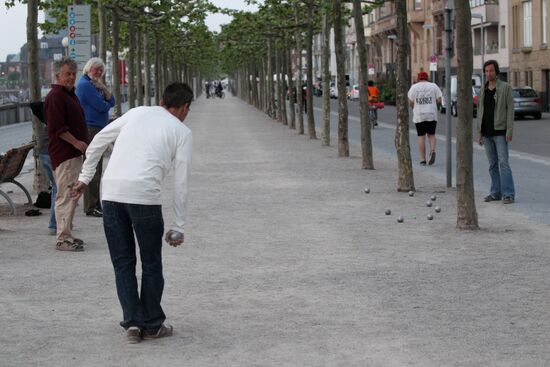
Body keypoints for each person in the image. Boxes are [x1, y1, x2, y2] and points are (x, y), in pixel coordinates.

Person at [70, 82, 194, 343]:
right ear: (185, 107)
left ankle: (132, 324)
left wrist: (84, 177)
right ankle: (152, 323)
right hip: (144, 198)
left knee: (123, 263)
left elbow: (98, 141)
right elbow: (180, 182)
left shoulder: (136, 112)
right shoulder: (181, 132)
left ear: (162, 100)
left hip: (112, 193)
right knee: (151, 263)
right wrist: (178, 226)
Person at [44, 57, 88, 252]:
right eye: (67, 74)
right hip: (65, 154)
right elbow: (57, 128)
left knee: (72, 195)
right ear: (57, 76)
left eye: (73, 74)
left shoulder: (70, 95)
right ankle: (62, 238)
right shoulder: (56, 97)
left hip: (73, 154)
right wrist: (76, 142)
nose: (71, 77)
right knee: (66, 195)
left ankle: (67, 233)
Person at [76, 57, 115, 217]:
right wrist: (105, 102)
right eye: (96, 69)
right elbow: (102, 106)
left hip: (98, 128)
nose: (98, 72)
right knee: (93, 167)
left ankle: (95, 202)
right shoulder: (85, 85)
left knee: (96, 167)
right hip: (91, 128)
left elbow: (111, 101)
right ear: (88, 68)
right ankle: (91, 205)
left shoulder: (94, 84)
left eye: (101, 70)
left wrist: (104, 88)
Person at [477, 59, 515, 204]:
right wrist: (479, 133)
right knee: (492, 164)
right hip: (486, 133)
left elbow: (510, 111)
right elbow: (480, 111)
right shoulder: (483, 90)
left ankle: (508, 194)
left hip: (500, 132)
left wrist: (509, 131)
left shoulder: (505, 88)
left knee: (504, 163)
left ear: (496, 71)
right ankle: (495, 192)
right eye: (486, 71)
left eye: (491, 70)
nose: (488, 73)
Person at [407, 71, 442, 166]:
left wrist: (414, 106)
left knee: (421, 136)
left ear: (418, 78)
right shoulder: (433, 86)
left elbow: (410, 101)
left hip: (419, 115)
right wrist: (436, 105)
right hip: (431, 114)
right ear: (427, 78)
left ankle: (423, 159)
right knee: (431, 134)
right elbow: (439, 100)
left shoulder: (414, 87)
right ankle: (432, 150)